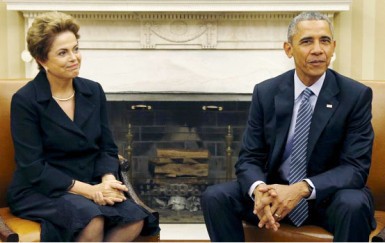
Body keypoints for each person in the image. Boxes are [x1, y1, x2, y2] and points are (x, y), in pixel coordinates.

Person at [201, 11, 376, 242]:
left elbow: (355, 168)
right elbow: (250, 158)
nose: (317, 50)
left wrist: (301, 189)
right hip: (275, 193)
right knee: (216, 196)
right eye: (306, 41)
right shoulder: (266, 92)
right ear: (288, 49)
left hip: (327, 198)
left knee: (353, 203)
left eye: (324, 41)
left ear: (333, 47)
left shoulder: (355, 95)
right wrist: (260, 191)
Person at [6, 11, 159, 242]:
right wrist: (91, 191)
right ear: (41, 60)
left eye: (75, 49)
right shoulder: (26, 100)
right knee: (91, 219)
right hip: (40, 189)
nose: (74, 58)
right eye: (63, 53)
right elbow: (33, 168)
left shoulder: (93, 91)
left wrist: (107, 179)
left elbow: (107, 147)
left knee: (133, 218)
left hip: (90, 181)